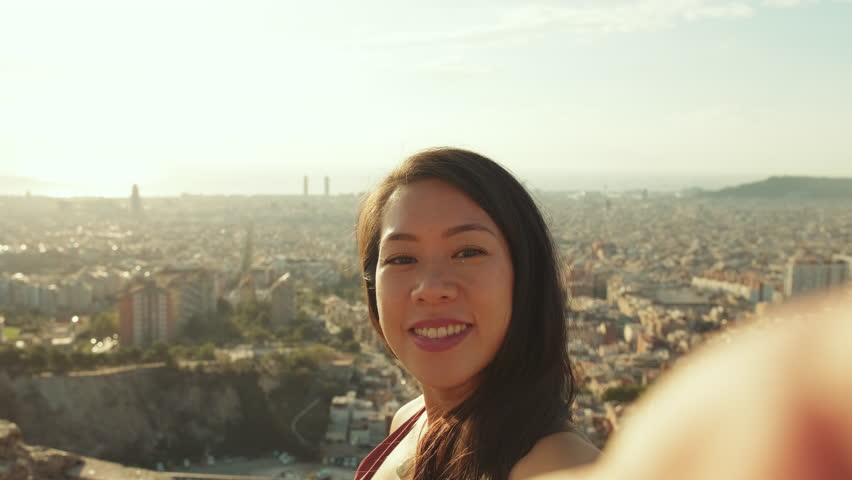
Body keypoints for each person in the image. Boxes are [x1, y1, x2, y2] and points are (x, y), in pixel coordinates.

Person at [354, 148, 599, 480]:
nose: (430, 287)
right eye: (401, 259)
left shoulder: (561, 467)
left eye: (468, 252)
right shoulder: (411, 420)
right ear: (372, 287)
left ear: (525, 275)